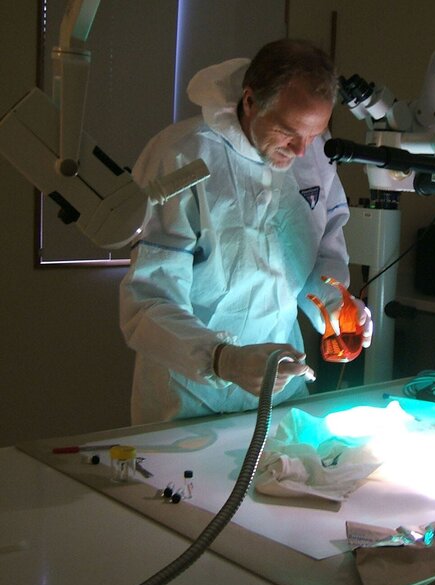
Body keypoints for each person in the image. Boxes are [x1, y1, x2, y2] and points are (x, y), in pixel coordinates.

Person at [119, 39, 372, 424]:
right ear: (251, 101)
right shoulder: (182, 157)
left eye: (315, 133)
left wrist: (337, 308)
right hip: (188, 397)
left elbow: (320, 256)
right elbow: (148, 303)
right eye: (289, 132)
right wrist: (223, 359)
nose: (303, 150)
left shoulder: (313, 156)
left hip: (282, 390)